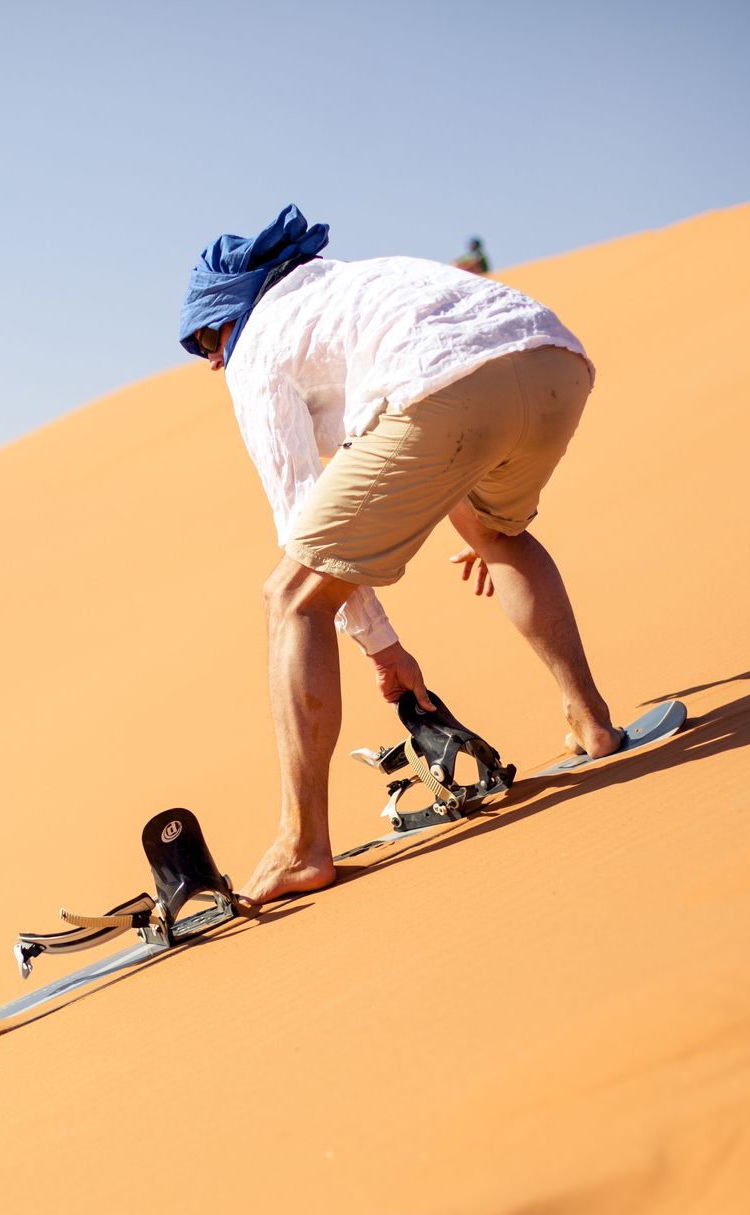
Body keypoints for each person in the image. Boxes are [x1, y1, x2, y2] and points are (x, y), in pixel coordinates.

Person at [178, 205, 622, 910]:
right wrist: (472, 517)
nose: (206, 358)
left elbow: (302, 525)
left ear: (230, 313)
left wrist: (383, 650)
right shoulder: (349, 286)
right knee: (498, 535)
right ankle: (592, 720)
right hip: (553, 361)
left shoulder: (256, 345)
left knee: (289, 596)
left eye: (204, 336)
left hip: (443, 386)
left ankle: (302, 844)